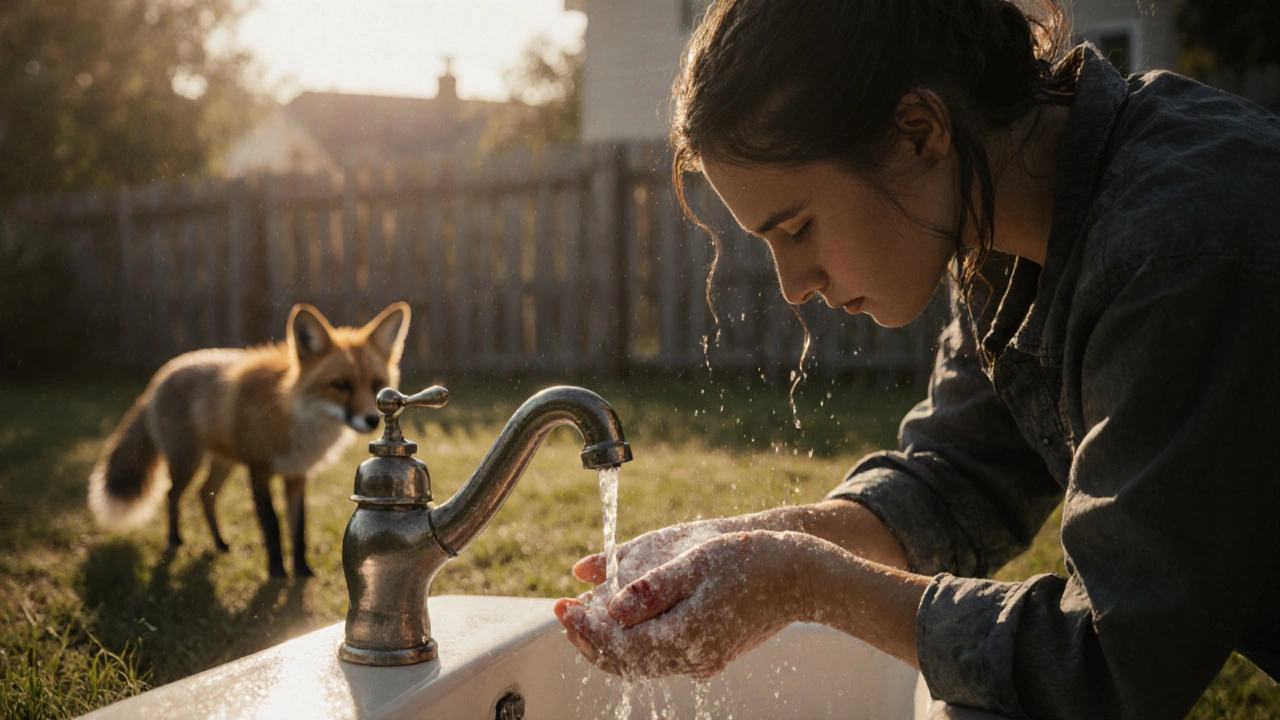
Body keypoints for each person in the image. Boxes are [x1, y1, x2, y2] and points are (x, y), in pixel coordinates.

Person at [553, 0, 1280, 717]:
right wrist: (752, 546)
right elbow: (956, 480)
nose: (793, 286)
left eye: (798, 226)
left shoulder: (1182, 247)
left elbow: (1104, 665)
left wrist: (804, 582)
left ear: (917, 131)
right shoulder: (1009, 218)